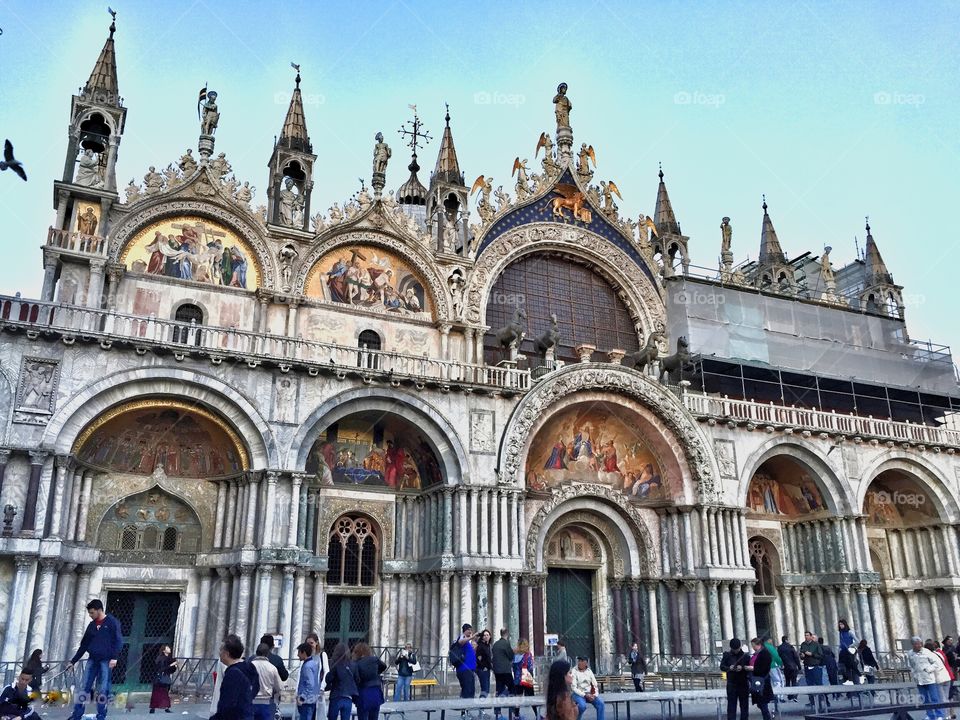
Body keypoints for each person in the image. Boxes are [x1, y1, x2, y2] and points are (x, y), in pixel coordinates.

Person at [66, 599, 123, 720]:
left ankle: (101, 715)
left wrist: (114, 657)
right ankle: (76, 715)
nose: (91, 615)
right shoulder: (92, 625)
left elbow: (118, 641)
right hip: (92, 659)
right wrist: (73, 661)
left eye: (92, 613)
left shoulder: (112, 622)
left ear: (99, 610)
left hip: (106, 660)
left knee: (103, 689)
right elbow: (84, 645)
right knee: (84, 687)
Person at [211, 635, 255, 720]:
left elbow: (228, 706)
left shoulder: (233, 674)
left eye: (221, 650)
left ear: (226, 654)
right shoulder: (243, 667)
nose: (219, 653)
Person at [908, 636, 945, 720]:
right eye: (916, 644)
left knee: (934, 698)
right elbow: (910, 664)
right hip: (919, 680)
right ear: (913, 645)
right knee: (924, 699)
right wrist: (913, 673)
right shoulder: (910, 653)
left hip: (929, 679)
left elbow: (936, 663)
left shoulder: (927, 652)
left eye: (920, 644)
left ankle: (939, 715)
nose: (918, 645)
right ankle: (930, 715)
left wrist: (928, 669)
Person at [352, 643, 386, 720]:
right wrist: (376, 673)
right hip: (376, 691)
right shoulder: (374, 659)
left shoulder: (356, 663)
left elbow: (356, 679)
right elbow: (384, 666)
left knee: (362, 716)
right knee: (374, 717)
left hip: (363, 692)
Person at [250, 643, 283, 720]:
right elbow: (279, 688)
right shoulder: (272, 668)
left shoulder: (248, 666)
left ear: (256, 652)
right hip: (266, 703)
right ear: (267, 654)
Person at [325, 643, 357, 720]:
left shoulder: (336, 665)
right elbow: (357, 679)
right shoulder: (353, 665)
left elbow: (328, 679)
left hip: (336, 696)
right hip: (348, 697)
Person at [720, 639, 750, 720]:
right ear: (731, 648)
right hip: (731, 684)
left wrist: (742, 667)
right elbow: (722, 667)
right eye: (734, 650)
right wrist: (729, 668)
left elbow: (749, 668)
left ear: (740, 647)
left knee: (744, 706)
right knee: (731, 706)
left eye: (737, 649)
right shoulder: (727, 655)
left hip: (743, 683)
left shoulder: (745, 656)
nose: (736, 651)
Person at [799, 631, 827, 711]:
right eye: (805, 635)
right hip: (807, 666)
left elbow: (821, 655)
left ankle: (823, 702)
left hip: (815, 667)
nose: (806, 637)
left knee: (819, 684)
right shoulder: (803, 644)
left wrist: (812, 654)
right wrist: (802, 655)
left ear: (811, 637)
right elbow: (801, 654)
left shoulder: (816, 645)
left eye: (808, 635)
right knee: (809, 685)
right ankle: (812, 702)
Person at [747, 638, 773, 720]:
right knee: (761, 703)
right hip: (756, 680)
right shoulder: (757, 654)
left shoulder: (764, 654)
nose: (752, 647)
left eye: (753, 645)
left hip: (762, 681)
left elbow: (764, 668)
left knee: (762, 703)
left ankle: (767, 718)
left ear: (758, 645)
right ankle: (767, 717)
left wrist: (753, 668)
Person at [492, 628, 515, 720]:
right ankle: (513, 710)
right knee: (512, 689)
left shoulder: (495, 644)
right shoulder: (506, 644)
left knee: (499, 688)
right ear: (507, 634)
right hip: (505, 670)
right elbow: (511, 656)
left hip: (497, 671)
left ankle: (497, 711)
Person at [929, 640, 955, 718]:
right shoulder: (941, 653)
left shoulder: (933, 655)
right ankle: (950, 714)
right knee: (947, 697)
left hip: (940, 677)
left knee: (943, 698)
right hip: (948, 676)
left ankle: (946, 715)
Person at [450, 624, 477, 698]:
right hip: (464, 670)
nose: (470, 631)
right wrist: (472, 637)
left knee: (471, 690)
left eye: (471, 630)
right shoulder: (462, 637)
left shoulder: (468, 642)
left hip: (469, 670)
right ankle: (464, 708)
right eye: (469, 630)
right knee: (467, 691)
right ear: (465, 630)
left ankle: (467, 707)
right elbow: (460, 641)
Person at [149, 645, 177, 713]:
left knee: (162, 693)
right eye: (167, 648)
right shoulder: (161, 658)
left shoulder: (167, 658)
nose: (169, 649)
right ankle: (156, 708)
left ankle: (161, 708)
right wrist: (171, 665)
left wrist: (174, 666)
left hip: (163, 677)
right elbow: (161, 669)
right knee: (160, 693)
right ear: (164, 650)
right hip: (160, 678)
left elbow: (170, 670)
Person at [296, 643, 320, 720]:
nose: (297, 655)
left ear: (304, 653)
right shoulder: (313, 663)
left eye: (299, 652)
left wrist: (302, 697)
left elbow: (310, 684)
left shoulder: (307, 666)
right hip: (312, 699)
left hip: (306, 701)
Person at [476, 629, 493, 698]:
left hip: (487, 669)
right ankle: (482, 705)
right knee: (485, 688)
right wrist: (483, 667)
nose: (486, 636)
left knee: (486, 689)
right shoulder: (481, 645)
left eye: (487, 635)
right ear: (482, 637)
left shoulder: (487, 645)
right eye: (484, 635)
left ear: (490, 636)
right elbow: (478, 658)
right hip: (483, 670)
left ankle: (483, 704)